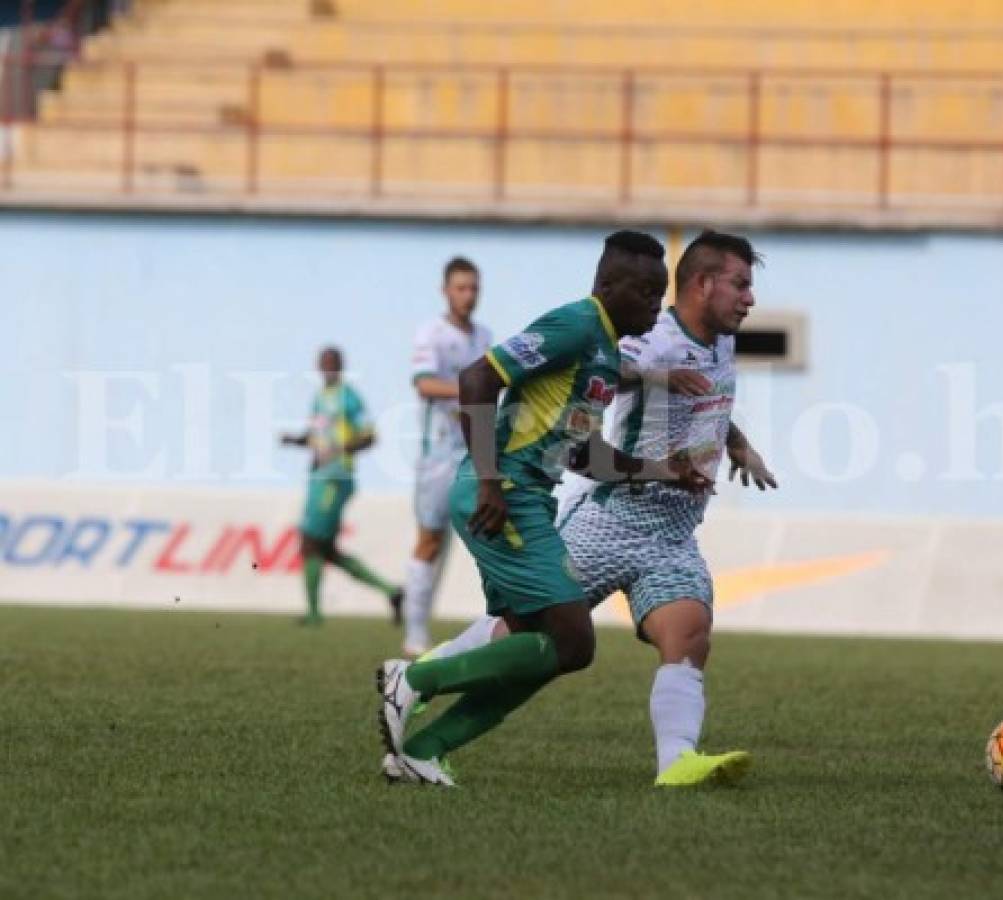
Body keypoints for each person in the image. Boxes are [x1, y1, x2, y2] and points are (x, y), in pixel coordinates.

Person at [402, 230, 777, 787]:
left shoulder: (721, 342)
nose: (750, 298)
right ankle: (419, 680)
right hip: (609, 516)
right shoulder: (648, 338)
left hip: (672, 531)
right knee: (534, 635)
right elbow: (593, 374)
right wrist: (653, 378)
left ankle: (676, 763)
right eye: (740, 284)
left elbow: (704, 397)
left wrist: (734, 440)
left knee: (690, 633)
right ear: (702, 284)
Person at [403, 257, 493, 658]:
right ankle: (415, 631)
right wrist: (470, 389)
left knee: (490, 536)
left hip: (475, 453)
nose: (468, 295)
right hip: (439, 452)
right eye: (461, 288)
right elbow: (424, 384)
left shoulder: (484, 336)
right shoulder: (432, 333)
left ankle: (495, 626)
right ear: (445, 291)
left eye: (473, 288)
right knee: (430, 540)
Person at [280, 347, 404, 626]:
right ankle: (392, 592)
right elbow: (315, 439)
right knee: (326, 551)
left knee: (311, 542)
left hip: (336, 479)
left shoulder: (349, 397)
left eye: (332, 362)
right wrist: (294, 440)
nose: (327, 367)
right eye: (323, 362)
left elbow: (370, 436)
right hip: (319, 477)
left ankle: (314, 615)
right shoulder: (319, 399)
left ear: (341, 365)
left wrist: (343, 448)